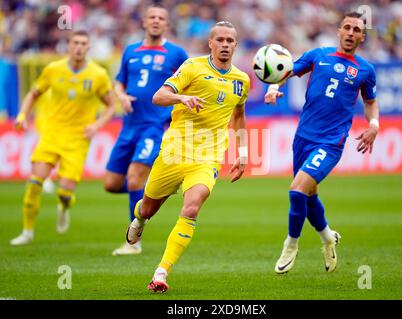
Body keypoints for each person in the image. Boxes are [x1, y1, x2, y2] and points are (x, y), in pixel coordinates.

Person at [126, 21, 250, 293]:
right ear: (210, 43)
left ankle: (161, 273)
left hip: (208, 156)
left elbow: (239, 117)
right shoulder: (193, 67)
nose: (225, 45)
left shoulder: (242, 80)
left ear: (236, 45)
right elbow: (159, 97)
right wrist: (182, 99)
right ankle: (140, 219)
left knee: (192, 206)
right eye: (220, 40)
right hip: (174, 151)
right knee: (147, 207)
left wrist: (242, 152)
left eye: (230, 40)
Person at [265, 12, 379, 274]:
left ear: (362, 37)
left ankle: (291, 244)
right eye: (347, 28)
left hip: (331, 142)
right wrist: (273, 88)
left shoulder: (365, 70)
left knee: (296, 191)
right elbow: (288, 70)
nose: (351, 33)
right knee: (309, 195)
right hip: (303, 137)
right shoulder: (318, 55)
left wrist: (374, 126)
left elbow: (371, 102)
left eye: (357, 30)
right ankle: (328, 238)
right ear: (339, 31)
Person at [10, 30, 116, 245]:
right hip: (52, 134)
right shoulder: (53, 70)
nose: (78, 47)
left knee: (65, 192)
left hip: (77, 139)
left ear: (88, 48)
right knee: (34, 182)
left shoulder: (97, 75)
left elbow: (111, 106)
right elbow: (33, 94)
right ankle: (27, 231)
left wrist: (97, 125)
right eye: (75, 43)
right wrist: (22, 115)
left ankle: (64, 206)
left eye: (83, 43)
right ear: (68, 46)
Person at [104, 4, 188, 256]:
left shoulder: (176, 53)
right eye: (151, 17)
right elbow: (119, 82)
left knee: (134, 177)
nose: (156, 21)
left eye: (161, 18)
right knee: (111, 184)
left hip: (155, 126)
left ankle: (134, 243)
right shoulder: (130, 51)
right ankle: (155, 191)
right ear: (144, 22)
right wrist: (121, 96)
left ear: (166, 24)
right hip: (128, 126)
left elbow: (190, 81)